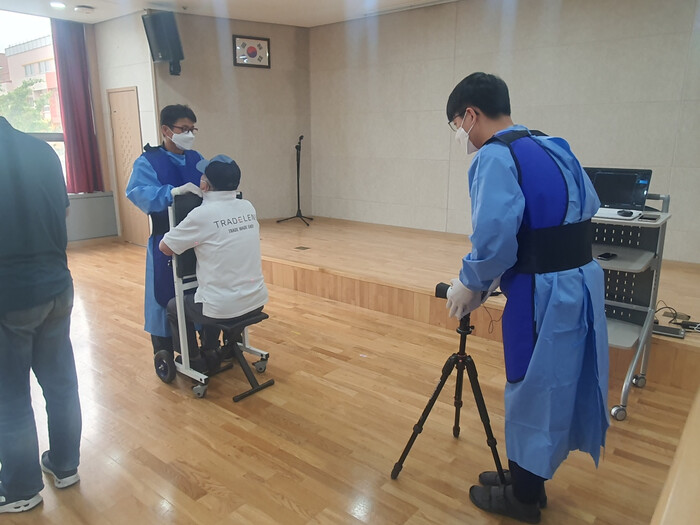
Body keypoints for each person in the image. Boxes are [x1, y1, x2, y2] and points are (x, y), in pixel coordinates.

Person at [444, 73, 609, 524]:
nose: (460, 135)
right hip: (580, 283)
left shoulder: (494, 157)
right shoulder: (553, 144)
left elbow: (495, 239)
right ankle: (528, 478)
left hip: (543, 292)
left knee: (531, 386)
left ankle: (523, 498)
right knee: (559, 382)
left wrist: (471, 283)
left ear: (470, 115)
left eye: (457, 125)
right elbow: (587, 205)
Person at [0, 116, 82, 514]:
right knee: (61, 384)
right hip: (56, 285)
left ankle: (20, 490)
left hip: (10, 294)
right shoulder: (43, 151)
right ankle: (65, 466)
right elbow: (63, 213)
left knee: (10, 396)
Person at [159, 155, 268, 372]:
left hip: (224, 307)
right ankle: (211, 349)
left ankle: (193, 360)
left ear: (204, 185)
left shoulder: (202, 214)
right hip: (257, 300)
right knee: (210, 295)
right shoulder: (248, 207)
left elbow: (165, 247)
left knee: (175, 306)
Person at [126, 104, 205, 355]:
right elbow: (137, 192)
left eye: (192, 129)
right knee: (164, 290)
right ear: (166, 130)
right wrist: (171, 193)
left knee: (197, 287)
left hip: (199, 237)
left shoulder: (196, 159)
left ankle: (201, 345)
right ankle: (165, 348)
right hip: (166, 236)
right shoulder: (149, 161)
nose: (189, 134)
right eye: (184, 129)